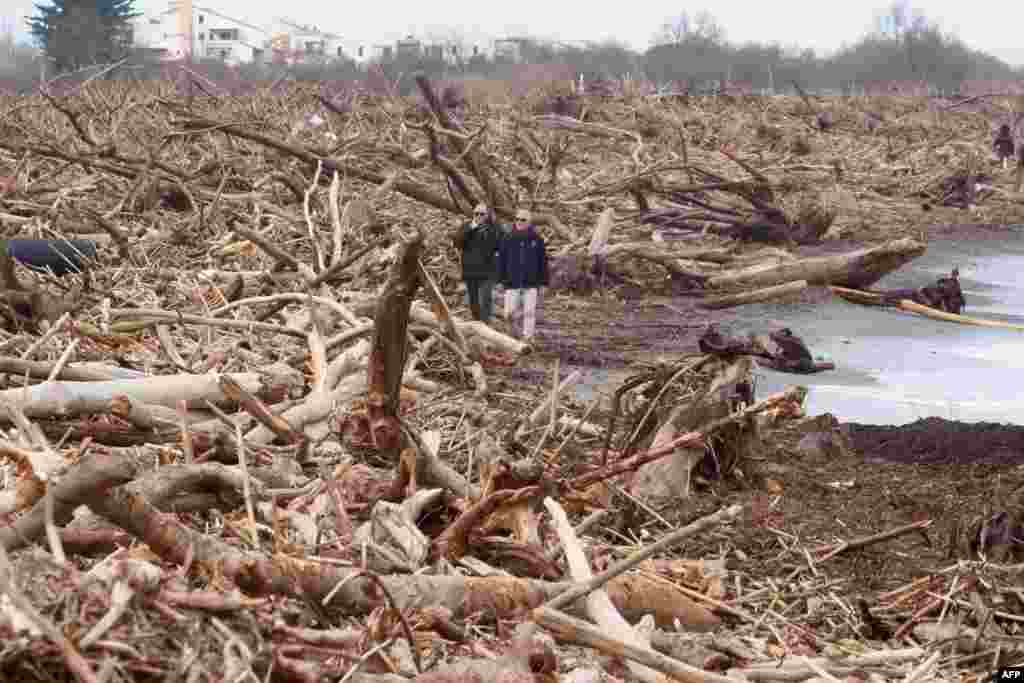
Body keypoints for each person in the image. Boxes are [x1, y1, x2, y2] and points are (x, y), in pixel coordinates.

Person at [497, 208, 548, 342]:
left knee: (529, 313)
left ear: (529, 222)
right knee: (509, 313)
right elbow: (501, 261)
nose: (519, 222)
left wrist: (544, 283)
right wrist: (500, 281)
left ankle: (528, 338)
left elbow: (543, 262)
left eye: (523, 220)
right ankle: (510, 339)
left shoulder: (537, 240)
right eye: (517, 219)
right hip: (511, 282)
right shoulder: (507, 238)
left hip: (531, 282)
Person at [453, 203, 502, 323]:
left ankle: (485, 323)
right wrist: (472, 227)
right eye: (476, 213)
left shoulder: (493, 228)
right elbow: (458, 243)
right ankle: (476, 321)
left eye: (482, 214)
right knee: (473, 299)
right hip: (471, 269)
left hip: (488, 269)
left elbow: (500, 245)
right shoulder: (466, 226)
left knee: (486, 297)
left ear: (487, 215)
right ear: (473, 214)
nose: (479, 216)